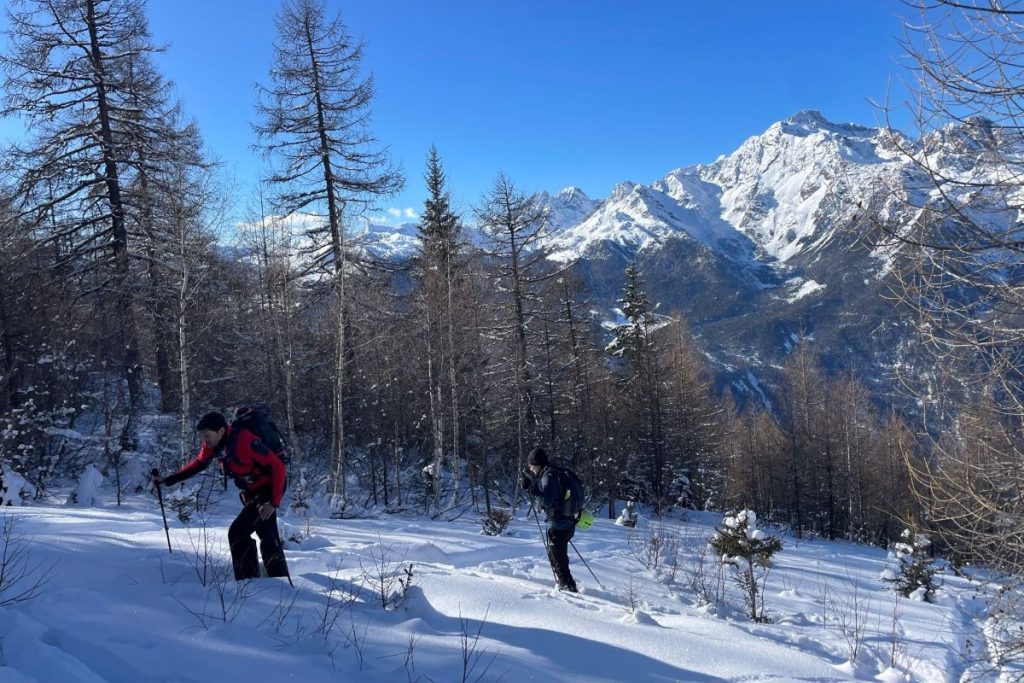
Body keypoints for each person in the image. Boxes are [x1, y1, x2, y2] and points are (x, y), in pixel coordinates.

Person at [152, 411, 289, 580]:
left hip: (269, 488)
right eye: (202, 436)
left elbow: (278, 467)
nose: (205, 440)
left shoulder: (244, 440)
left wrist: (273, 502)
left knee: (238, 532)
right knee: (267, 534)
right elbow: (199, 464)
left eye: (207, 435)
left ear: (221, 431)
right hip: (253, 490)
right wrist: (168, 480)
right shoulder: (214, 445)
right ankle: (279, 580)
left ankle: (248, 582)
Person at [521, 446, 578, 592]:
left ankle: (568, 588)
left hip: (558, 522)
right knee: (559, 557)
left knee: (558, 559)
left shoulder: (549, 476)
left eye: (531, 465)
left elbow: (547, 500)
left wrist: (531, 488)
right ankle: (567, 585)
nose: (530, 468)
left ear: (537, 464)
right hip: (568, 520)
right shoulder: (556, 471)